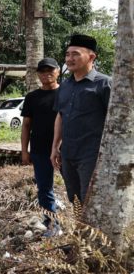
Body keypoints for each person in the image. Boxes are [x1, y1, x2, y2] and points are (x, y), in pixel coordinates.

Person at [50, 33, 112, 210]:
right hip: (68, 154)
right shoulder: (65, 86)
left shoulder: (105, 84)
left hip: (93, 155)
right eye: (67, 54)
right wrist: (55, 147)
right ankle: (80, 233)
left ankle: (92, 236)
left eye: (75, 54)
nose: (69, 59)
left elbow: (116, 122)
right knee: (74, 199)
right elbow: (60, 116)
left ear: (91, 56)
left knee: (90, 200)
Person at [20, 57, 61, 236]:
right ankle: (52, 223)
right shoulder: (32, 97)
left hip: (65, 149)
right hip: (40, 149)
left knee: (75, 188)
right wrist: (24, 151)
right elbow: (26, 125)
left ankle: (81, 223)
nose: (46, 74)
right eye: (42, 71)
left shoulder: (66, 92)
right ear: (38, 74)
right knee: (44, 188)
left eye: (50, 71)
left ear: (58, 71)